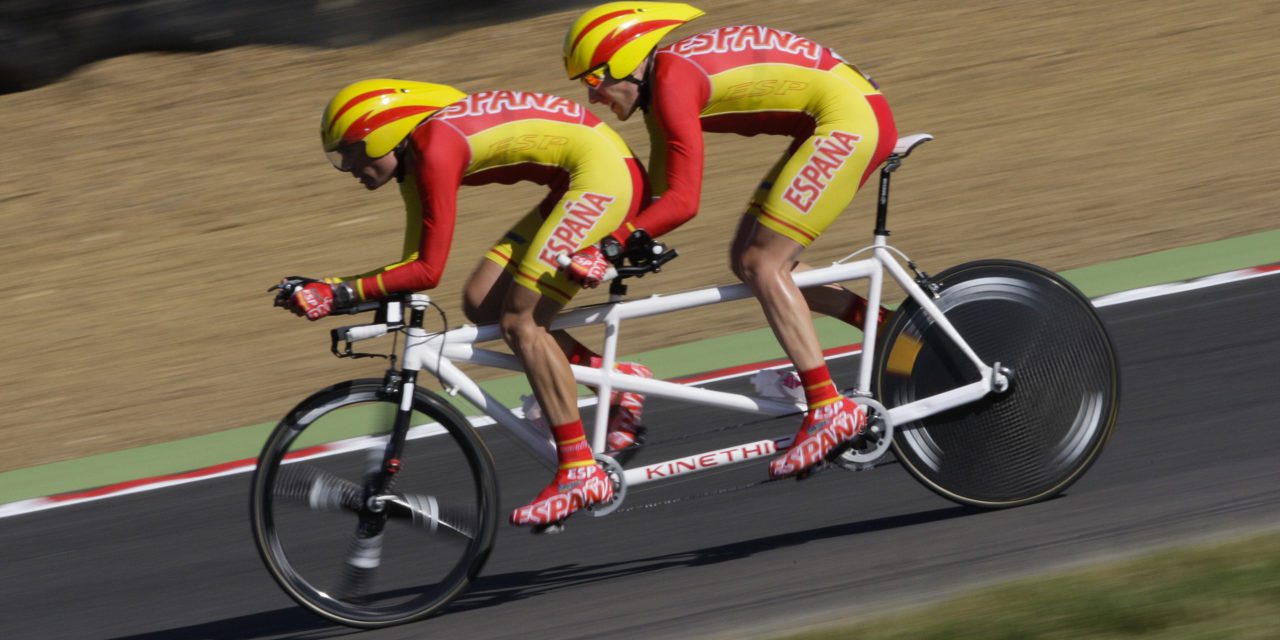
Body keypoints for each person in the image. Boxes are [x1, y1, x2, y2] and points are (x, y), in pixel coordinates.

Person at [277, 78, 655, 530]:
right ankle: (614, 379)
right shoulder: (417, 157)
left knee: (521, 322)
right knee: (482, 301)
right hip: (582, 177)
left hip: (605, 178)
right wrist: (339, 292)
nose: (348, 166)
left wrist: (338, 290)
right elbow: (414, 266)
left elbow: (426, 271)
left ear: (382, 133)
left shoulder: (435, 149)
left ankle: (578, 472)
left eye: (352, 151)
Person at [561, 3, 899, 479]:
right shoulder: (662, 89)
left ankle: (827, 407)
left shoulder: (674, 82)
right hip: (840, 114)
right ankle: (896, 331)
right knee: (749, 259)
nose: (593, 97)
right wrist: (601, 242)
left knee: (765, 264)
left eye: (594, 79)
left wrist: (609, 248)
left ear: (629, 60)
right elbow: (656, 201)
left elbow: (682, 201)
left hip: (849, 121)